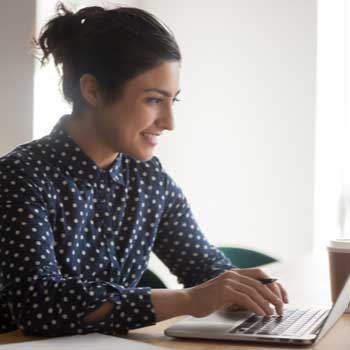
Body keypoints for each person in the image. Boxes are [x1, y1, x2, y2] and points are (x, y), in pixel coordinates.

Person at [0, 3, 288, 337]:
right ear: (92, 90)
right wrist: (190, 299)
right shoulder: (20, 176)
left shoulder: (148, 178)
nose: (169, 123)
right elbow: (39, 307)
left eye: (173, 101)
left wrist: (246, 289)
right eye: (153, 100)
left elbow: (201, 267)